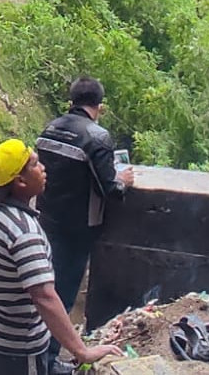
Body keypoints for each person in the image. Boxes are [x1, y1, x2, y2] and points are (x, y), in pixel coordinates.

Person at [0, 139, 124, 375]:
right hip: (16, 346)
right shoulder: (25, 233)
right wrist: (82, 351)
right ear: (20, 181)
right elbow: (44, 298)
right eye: (34, 165)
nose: (43, 168)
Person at [35, 77, 134, 313]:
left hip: (45, 219)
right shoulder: (97, 137)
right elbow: (111, 190)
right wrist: (123, 181)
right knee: (63, 295)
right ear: (100, 106)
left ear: (72, 101)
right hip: (77, 230)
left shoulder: (50, 128)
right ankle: (49, 349)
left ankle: (34, 343)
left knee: (42, 288)